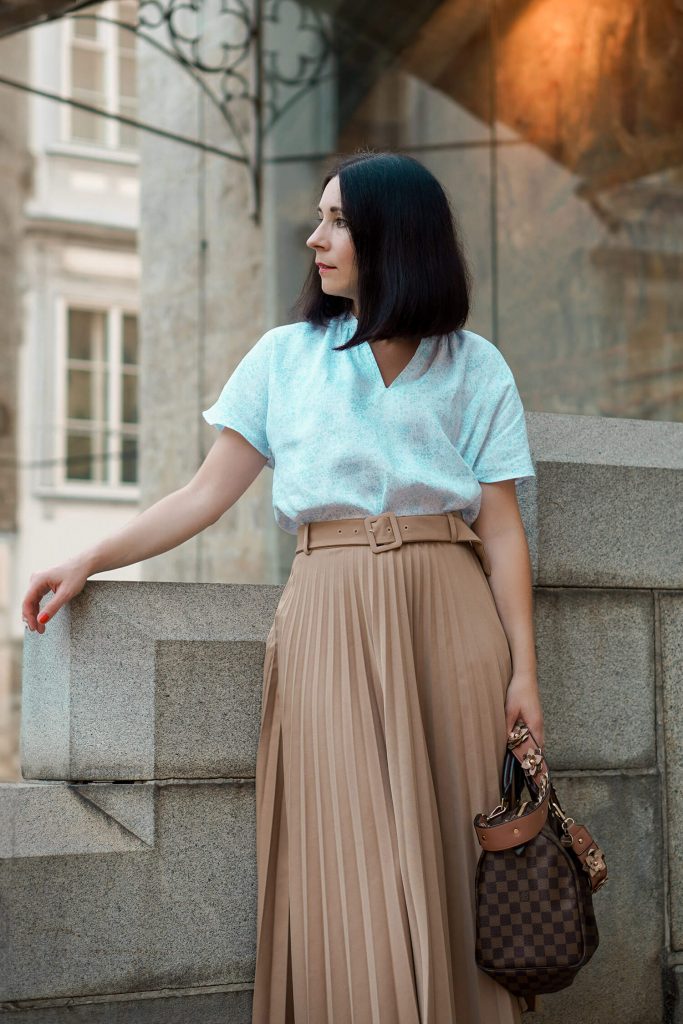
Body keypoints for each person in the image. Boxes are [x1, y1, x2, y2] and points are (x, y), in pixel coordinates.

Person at [22, 150, 544, 1024]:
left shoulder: (473, 365)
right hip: (326, 613)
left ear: (395, 236)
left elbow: (499, 528)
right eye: (320, 217)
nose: (315, 238)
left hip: (451, 622)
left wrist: (524, 671)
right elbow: (202, 494)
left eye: (338, 221)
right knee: (347, 855)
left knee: (458, 851)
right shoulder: (285, 357)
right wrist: (89, 559)